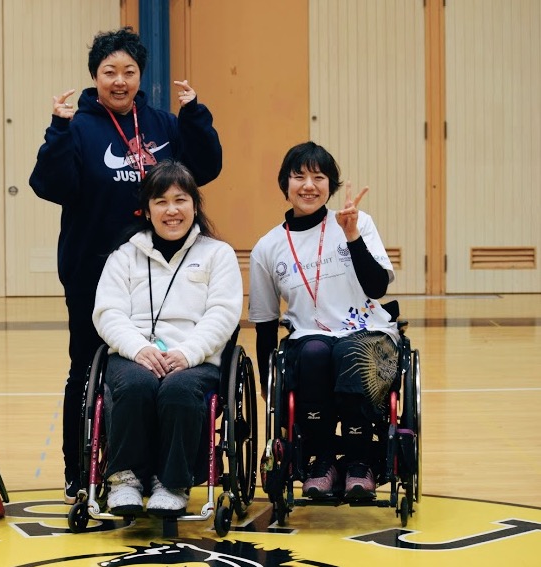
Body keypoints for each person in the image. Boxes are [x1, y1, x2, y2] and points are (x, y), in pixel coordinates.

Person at [28, 26, 223, 504]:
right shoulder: (77, 128)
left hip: (162, 270)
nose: (119, 80)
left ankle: (157, 471)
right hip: (94, 270)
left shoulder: (160, 124)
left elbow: (206, 169)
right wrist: (56, 130)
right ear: (94, 76)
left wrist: (195, 117)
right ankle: (82, 471)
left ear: (141, 77)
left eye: (129, 72)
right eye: (109, 72)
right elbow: (48, 185)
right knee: (90, 370)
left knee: (158, 368)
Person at [248, 141, 398, 500]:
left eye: (319, 177)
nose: (308, 185)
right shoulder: (267, 248)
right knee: (315, 353)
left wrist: (352, 238)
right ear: (285, 184)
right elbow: (266, 321)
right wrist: (268, 384)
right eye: (299, 176)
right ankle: (323, 461)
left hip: (368, 332)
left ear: (331, 184)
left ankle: (360, 461)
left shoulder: (356, 223)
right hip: (309, 338)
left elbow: (377, 287)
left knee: (348, 352)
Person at [92, 160, 241, 515]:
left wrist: (188, 353)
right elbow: (108, 312)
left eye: (180, 200)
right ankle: (125, 479)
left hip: (196, 358)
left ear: (194, 205)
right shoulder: (125, 255)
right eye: (160, 201)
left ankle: (171, 482)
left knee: (178, 389)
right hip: (133, 354)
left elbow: (222, 313)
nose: (171, 210)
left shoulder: (217, 254)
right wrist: (139, 348)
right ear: (146, 210)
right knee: (135, 386)